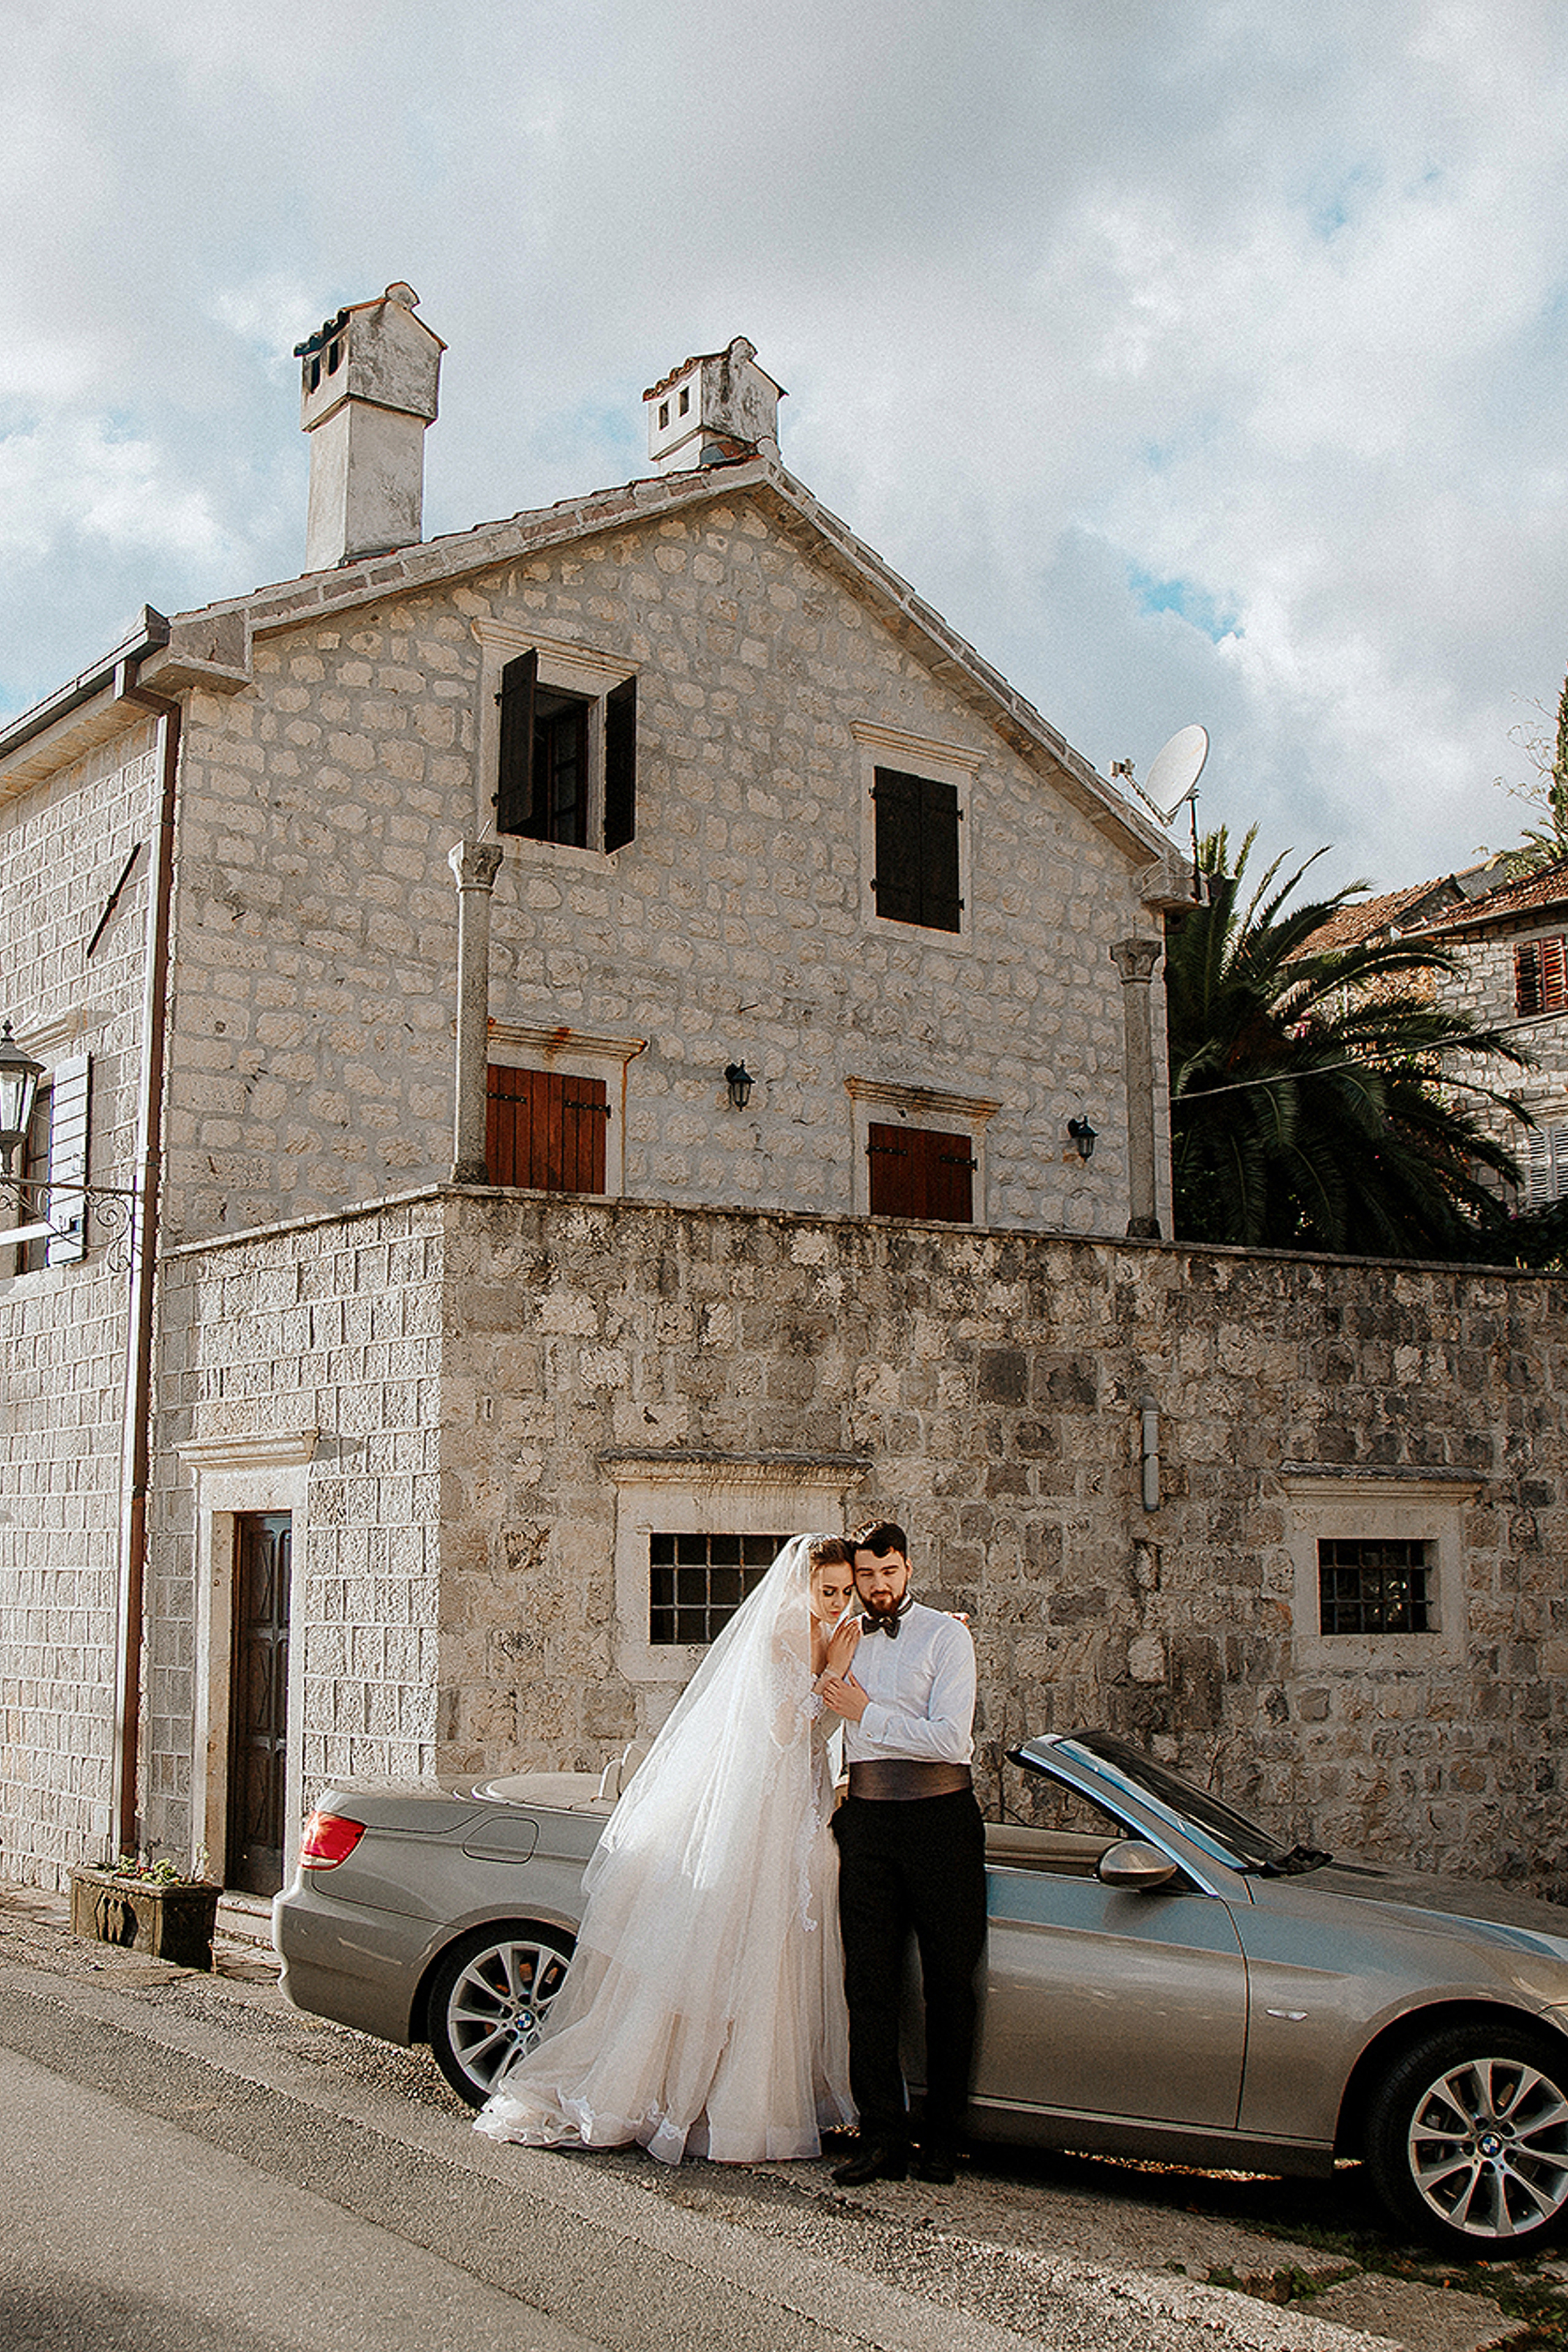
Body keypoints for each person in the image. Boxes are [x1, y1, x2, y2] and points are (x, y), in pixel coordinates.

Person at [475, 1532, 860, 2164]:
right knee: (737, 1943)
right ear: (802, 1584)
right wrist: (835, 1671)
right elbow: (786, 1726)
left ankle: (752, 2096)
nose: (838, 1602)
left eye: (844, 1593)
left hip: (801, 1800)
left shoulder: (830, 1628)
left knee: (781, 1948)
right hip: (762, 1804)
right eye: (828, 1591)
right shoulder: (787, 1630)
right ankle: (675, 2097)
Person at [818, 1518, 986, 2187]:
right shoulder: (845, 1638)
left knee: (949, 1986)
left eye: (889, 1573)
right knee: (870, 1986)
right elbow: (818, 1715)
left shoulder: (948, 1636)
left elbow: (950, 1741)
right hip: (867, 1825)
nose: (878, 1586)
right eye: (867, 1576)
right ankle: (881, 2136)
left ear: (908, 1569)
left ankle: (943, 2141)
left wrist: (867, 1713)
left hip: (941, 1823)